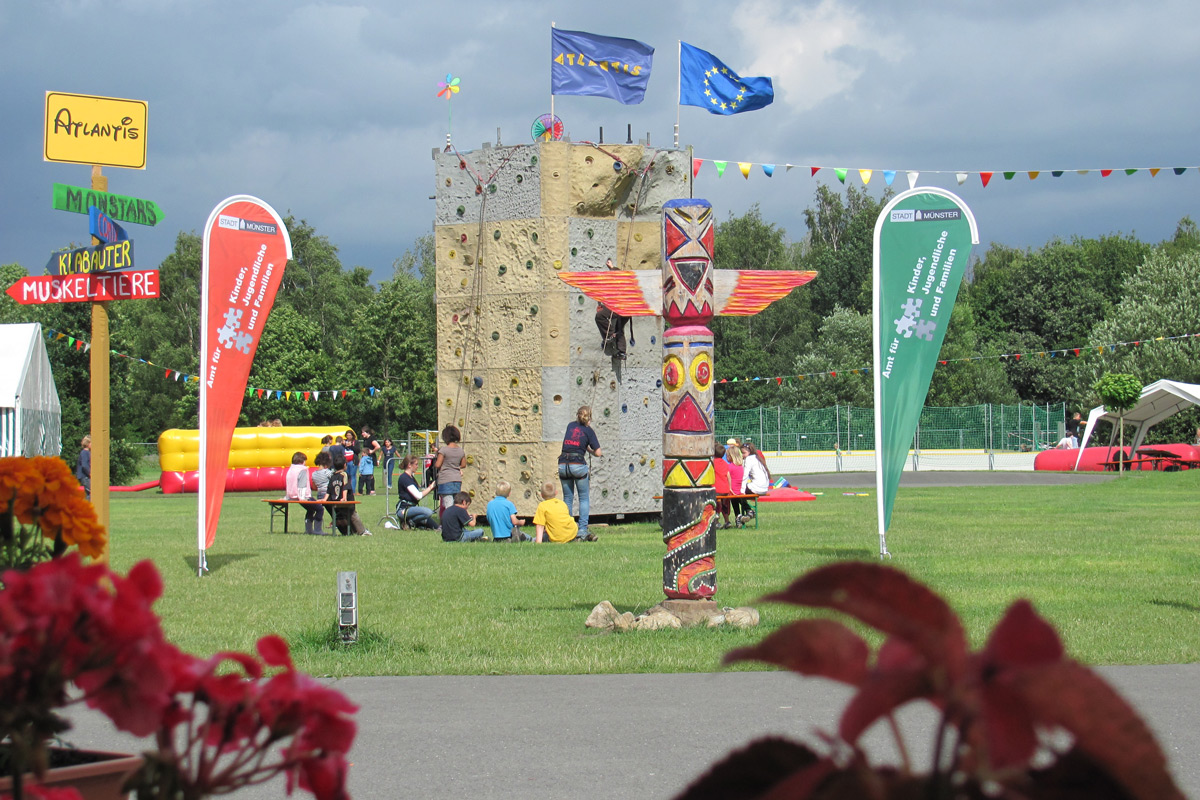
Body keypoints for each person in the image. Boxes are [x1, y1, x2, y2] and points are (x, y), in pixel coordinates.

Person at [558, 405, 602, 540]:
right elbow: (598, 453)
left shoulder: (570, 426)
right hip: (577, 464)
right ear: (589, 419)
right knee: (583, 498)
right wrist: (591, 451)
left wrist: (585, 448)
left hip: (563, 464)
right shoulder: (589, 431)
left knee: (567, 498)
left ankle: (567, 528)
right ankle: (582, 530)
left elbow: (574, 444)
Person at [594, 258, 631, 359]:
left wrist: (612, 267)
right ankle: (622, 351)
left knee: (599, 316)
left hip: (621, 306)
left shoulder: (619, 281)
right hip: (627, 309)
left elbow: (618, 275)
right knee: (619, 328)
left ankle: (609, 335)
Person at [327, 454, 371, 536]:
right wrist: (344, 497)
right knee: (353, 514)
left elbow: (329, 490)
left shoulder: (333, 476)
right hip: (346, 500)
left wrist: (324, 499)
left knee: (341, 515)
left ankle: (349, 531)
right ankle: (362, 531)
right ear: (344, 465)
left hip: (335, 500)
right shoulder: (344, 474)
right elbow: (345, 487)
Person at [284, 451, 322, 535]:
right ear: (302, 461)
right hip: (303, 496)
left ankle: (308, 530)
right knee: (319, 508)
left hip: (291, 496)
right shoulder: (302, 470)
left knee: (310, 509)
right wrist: (303, 498)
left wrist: (287, 496)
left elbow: (289, 483)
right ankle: (317, 530)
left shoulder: (290, 470)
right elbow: (302, 485)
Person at [395, 455, 437, 530]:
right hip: (404, 509)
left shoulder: (411, 477)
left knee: (434, 525)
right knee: (428, 512)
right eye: (416, 464)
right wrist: (431, 487)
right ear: (409, 465)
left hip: (413, 507)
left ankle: (413, 523)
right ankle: (409, 522)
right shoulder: (404, 478)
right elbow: (418, 496)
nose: (417, 466)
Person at [434, 425, 466, 518]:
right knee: (456, 504)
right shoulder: (460, 450)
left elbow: (437, 465)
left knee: (448, 505)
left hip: (445, 479)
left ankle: (450, 524)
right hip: (457, 479)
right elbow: (463, 464)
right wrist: (455, 466)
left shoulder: (444, 450)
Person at [739, 443, 772, 526]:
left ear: (749, 452)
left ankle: (748, 511)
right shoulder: (758, 458)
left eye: (744, 453)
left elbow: (745, 476)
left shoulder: (749, 459)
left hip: (756, 487)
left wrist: (742, 490)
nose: (742, 455)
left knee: (736, 493)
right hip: (764, 488)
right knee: (739, 493)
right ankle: (749, 511)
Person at [726, 442, 751, 522]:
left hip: (733, 491)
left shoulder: (729, 467)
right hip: (740, 490)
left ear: (731, 456)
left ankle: (739, 515)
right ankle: (746, 510)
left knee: (734, 499)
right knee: (738, 498)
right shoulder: (741, 467)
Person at [311, 450, 334, 533]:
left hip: (319, 492)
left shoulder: (314, 474)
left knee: (319, 510)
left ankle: (317, 528)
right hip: (327, 493)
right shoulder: (327, 472)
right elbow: (334, 481)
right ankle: (335, 523)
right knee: (333, 510)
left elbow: (314, 486)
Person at [713, 443, 734, 529]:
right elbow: (728, 476)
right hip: (725, 490)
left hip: (716, 489)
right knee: (725, 504)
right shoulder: (725, 464)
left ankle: (717, 519)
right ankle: (727, 520)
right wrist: (730, 487)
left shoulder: (712, 463)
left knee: (716, 503)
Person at [75, 435, 92, 500]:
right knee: (92, 492)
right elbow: (84, 465)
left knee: (89, 493)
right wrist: (90, 473)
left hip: (86, 476)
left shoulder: (88, 453)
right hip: (85, 477)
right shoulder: (84, 453)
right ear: (87, 443)